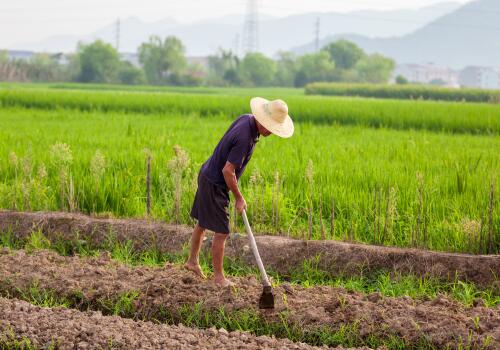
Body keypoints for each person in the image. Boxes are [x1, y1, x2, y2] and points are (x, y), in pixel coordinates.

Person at [184, 97, 294, 287]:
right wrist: (239, 197)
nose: (270, 132)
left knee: (203, 222)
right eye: (270, 127)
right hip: (215, 184)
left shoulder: (246, 119)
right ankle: (219, 278)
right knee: (222, 232)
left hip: (207, 174)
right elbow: (228, 170)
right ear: (262, 119)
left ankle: (192, 262)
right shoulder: (245, 138)